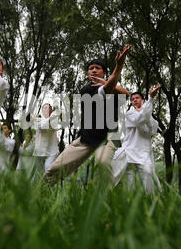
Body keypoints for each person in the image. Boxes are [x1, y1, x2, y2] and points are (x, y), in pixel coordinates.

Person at [44, 44, 132, 183]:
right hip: (87, 138)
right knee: (54, 169)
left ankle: (108, 198)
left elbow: (127, 94)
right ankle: (39, 194)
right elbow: (108, 88)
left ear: (104, 73)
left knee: (102, 163)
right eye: (91, 68)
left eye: (98, 68)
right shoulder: (87, 89)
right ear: (87, 73)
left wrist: (110, 81)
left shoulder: (115, 89)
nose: (94, 70)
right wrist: (118, 66)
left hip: (109, 137)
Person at [112, 87, 162, 193]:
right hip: (128, 151)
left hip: (143, 153)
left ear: (143, 100)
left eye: (137, 98)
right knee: (127, 180)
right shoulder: (129, 114)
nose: (134, 100)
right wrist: (151, 99)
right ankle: (105, 198)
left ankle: (154, 201)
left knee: (149, 175)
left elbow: (151, 131)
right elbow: (139, 120)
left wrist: (147, 110)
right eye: (132, 99)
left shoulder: (152, 119)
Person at [32, 103, 60, 179]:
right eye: (45, 108)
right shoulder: (41, 120)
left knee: (48, 168)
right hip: (39, 151)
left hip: (51, 151)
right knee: (37, 173)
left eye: (49, 108)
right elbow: (39, 128)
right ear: (42, 110)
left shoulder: (54, 120)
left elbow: (44, 126)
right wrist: (48, 119)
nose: (47, 109)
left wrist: (36, 120)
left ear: (51, 110)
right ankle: (37, 189)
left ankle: (49, 187)